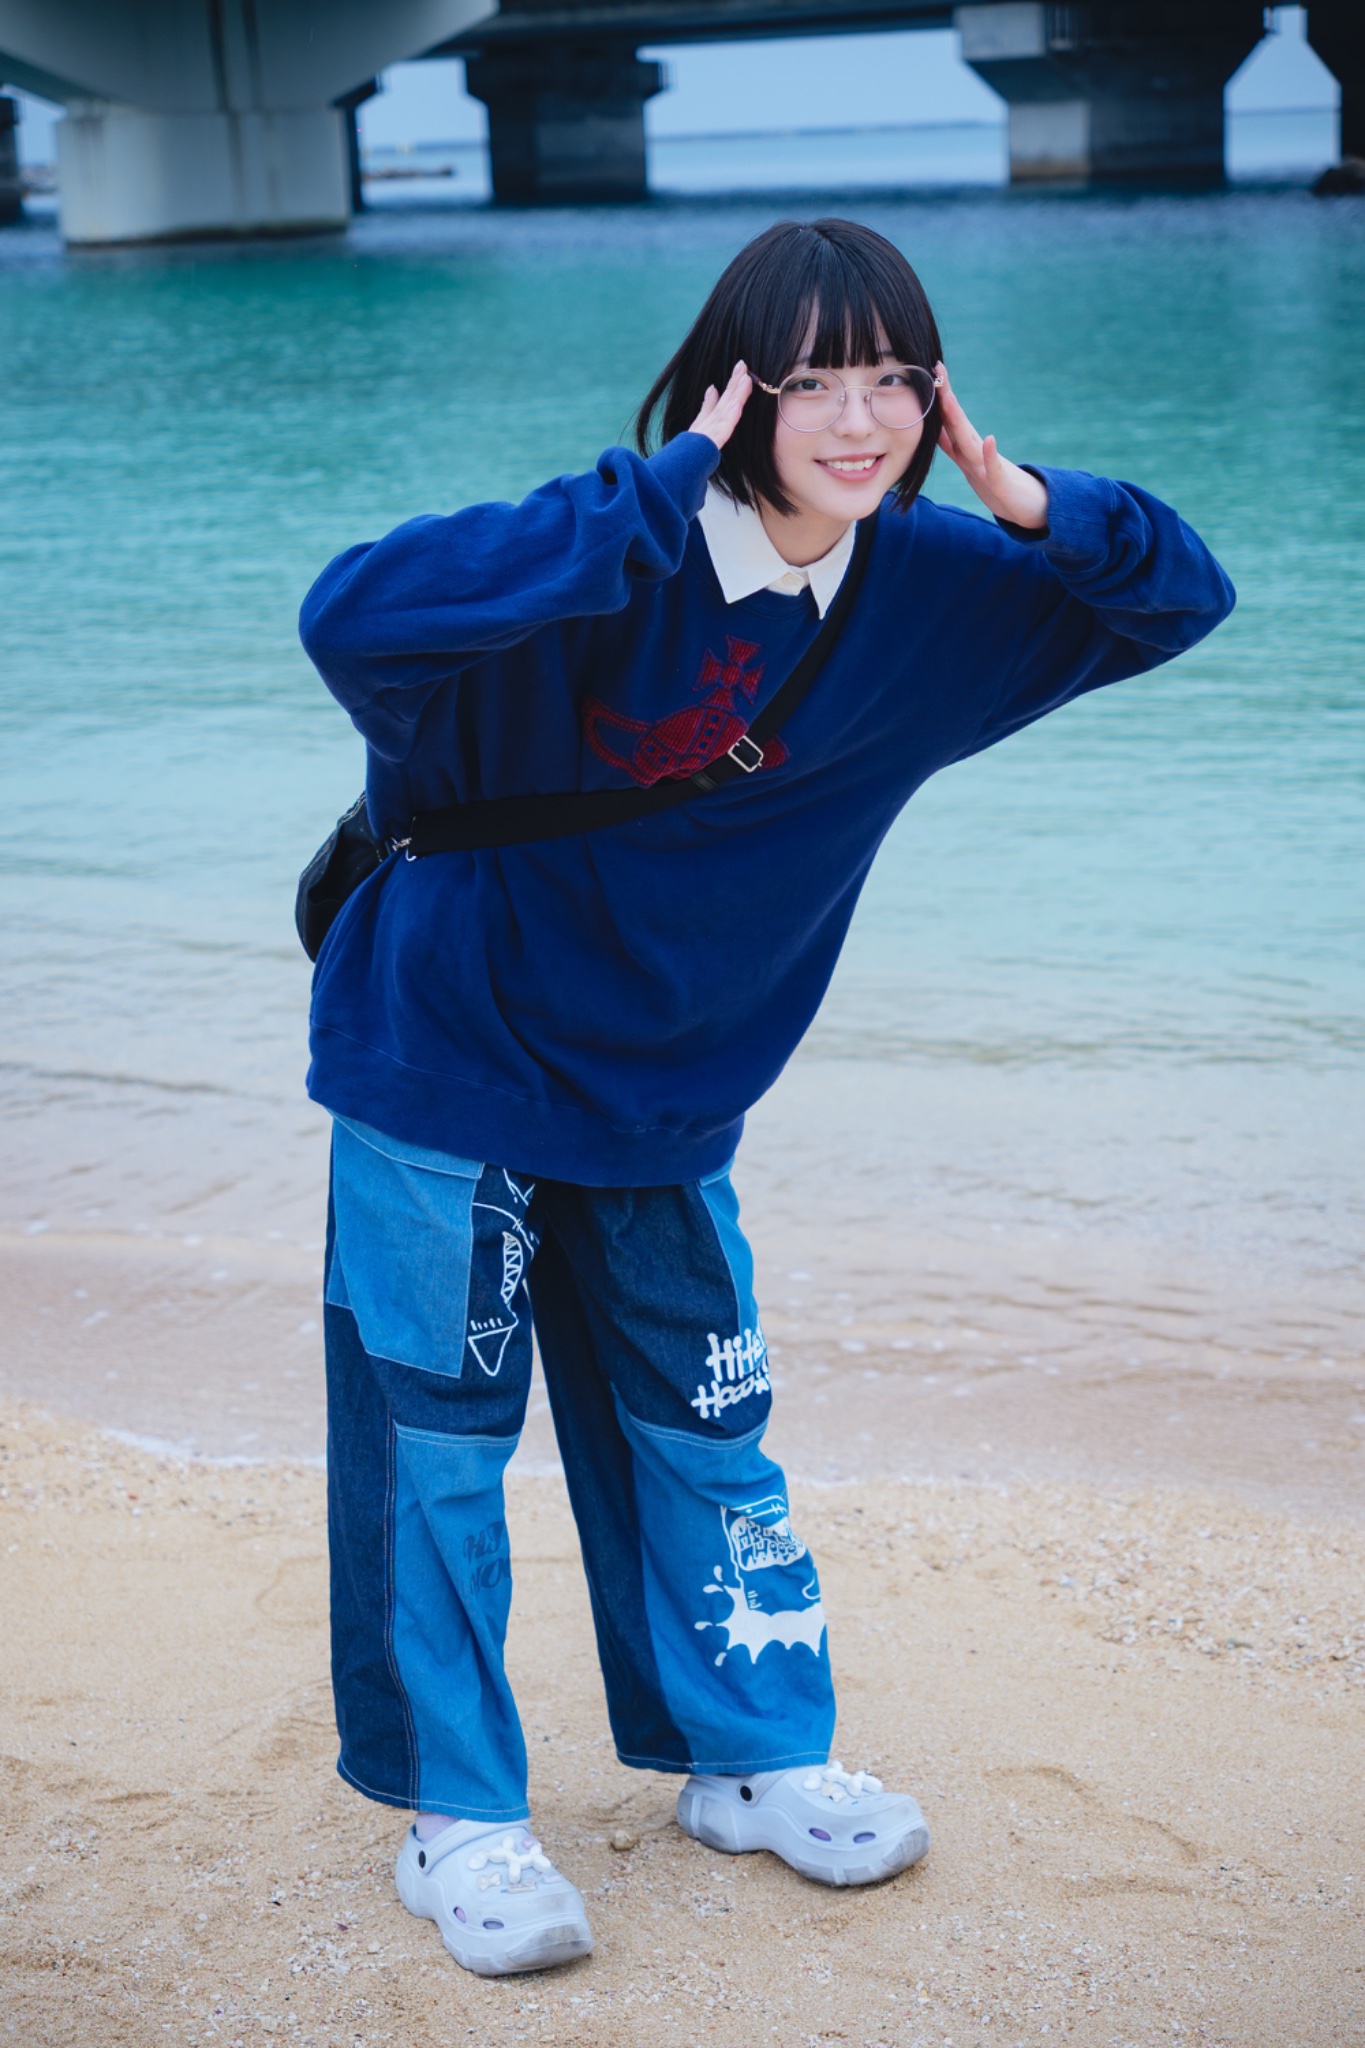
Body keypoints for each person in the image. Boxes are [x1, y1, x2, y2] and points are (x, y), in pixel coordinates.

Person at [298, 216, 1234, 1979]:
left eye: (893, 378)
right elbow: (350, 616)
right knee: (440, 1449)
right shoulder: (603, 556)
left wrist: (1036, 504)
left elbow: (1178, 597)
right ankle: (459, 1818)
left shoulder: (937, 593)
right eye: (812, 382)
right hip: (449, 1056)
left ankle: (747, 1759)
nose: (857, 419)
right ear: (735, 393)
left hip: (670, 1095)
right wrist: (634, 499)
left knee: (708, 1430)